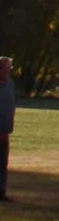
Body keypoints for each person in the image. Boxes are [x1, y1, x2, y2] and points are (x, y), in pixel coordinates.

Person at [0, 55, 15, 198]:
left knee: (3, 163)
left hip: (5, 131)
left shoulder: (10, 83)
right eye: (7, 67)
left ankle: (1, 192)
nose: (10, 70)